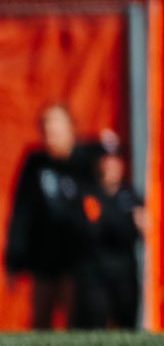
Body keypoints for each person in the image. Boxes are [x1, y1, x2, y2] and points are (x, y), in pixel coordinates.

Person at [4, 103, 91, 329]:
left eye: (56, 129)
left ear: (71, 129)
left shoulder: (86, 162)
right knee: (41, 321)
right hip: (44, 259)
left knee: (78, 320)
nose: (51, 136)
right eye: (47, 130)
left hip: (79, 260)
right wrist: (14, 259)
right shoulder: (35, 163)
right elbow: (22, 212)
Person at [73, 145, 143, 330]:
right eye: (107, 161)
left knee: (126, 321)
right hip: (96, 271)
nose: (111, 166)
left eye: (115, 161)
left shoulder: (130, 196)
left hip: (124, 271)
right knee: (95, 321)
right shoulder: (89, 194)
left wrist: (109, 219)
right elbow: (90, 229)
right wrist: (121, 220)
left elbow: (135, 232)